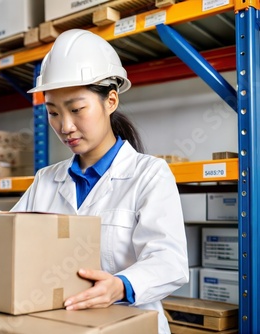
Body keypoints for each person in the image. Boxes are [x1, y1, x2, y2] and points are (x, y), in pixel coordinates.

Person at [11, 29, 189, 334]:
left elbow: (170, 262)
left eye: (77, 109)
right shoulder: (45, 180)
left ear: (110, 100)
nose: (65, 126)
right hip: (60, 325)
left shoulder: (149, 174)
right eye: (53, 112)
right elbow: (10, 239)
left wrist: (120, 286)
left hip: (128, 325)